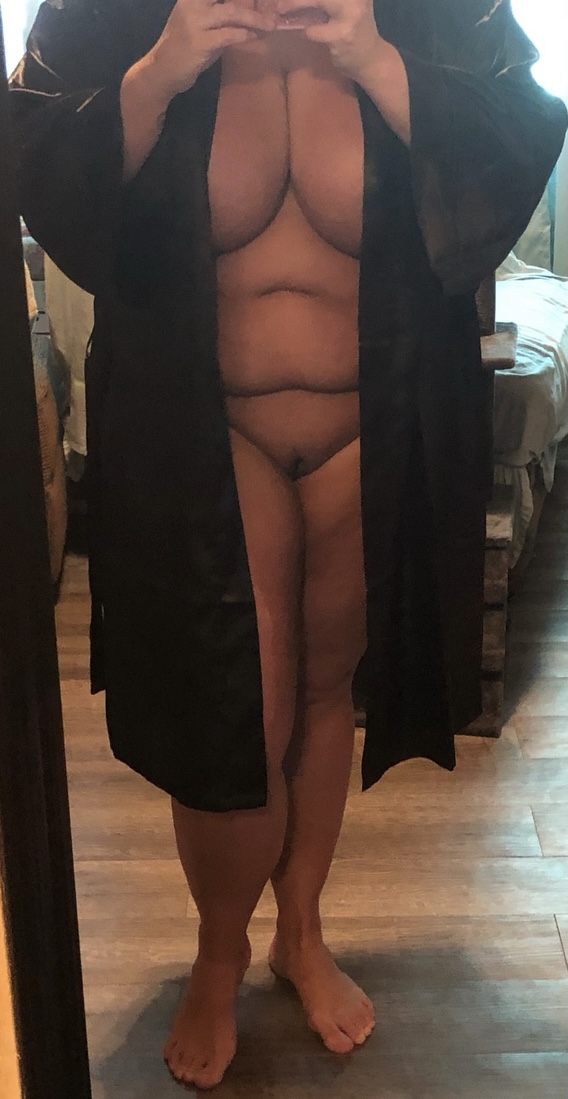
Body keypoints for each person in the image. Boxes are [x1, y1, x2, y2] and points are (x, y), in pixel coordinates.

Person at [10, 0, 567, 1089]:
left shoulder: (429, 9)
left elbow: (520, 133)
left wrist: (379, 62)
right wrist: (158, 75)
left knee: (320, 690)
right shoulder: (116, 10)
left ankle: (300, 932)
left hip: (375, 423)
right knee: (238, 705)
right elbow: (37, 159)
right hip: (205, 427)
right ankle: (218, 952)